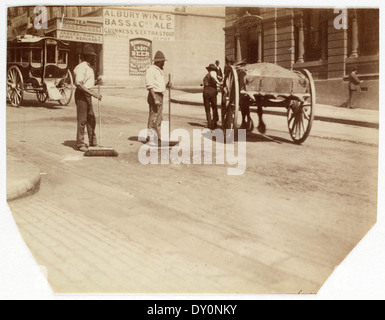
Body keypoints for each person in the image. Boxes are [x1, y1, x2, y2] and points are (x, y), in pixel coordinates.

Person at [73, 45, 102, 152]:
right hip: (81, 94)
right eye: (92, 56)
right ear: (87, 57)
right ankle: (80, 143)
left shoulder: (89, 67)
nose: (94, 58)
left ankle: (92, 141)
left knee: (91, 118)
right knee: (83, 119)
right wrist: (94, 94)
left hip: (87, 94)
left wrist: (96, 81)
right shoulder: (81, 67)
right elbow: (79, 84)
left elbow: (87, 82)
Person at [145, 51, 169, 146]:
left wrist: (167, 85)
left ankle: (157, 137)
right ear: (159, 61)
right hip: (154, 95)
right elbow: (150, 85)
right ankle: (151, 138)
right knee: (154, 117)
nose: (164, 63)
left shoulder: (159, 70)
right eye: (163, 61)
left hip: (159, 95)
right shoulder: (151, 70)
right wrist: (155, 98)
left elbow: (159, 85)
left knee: (158, 118)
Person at [203, 63, 222, 130]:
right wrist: (219, 84)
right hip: (212, 91)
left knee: (207, 109)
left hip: (206, 91)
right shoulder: (213, 73)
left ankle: (209, 123)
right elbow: (214, 78)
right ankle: (214, 122)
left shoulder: (206, 75)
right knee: (214, 107)